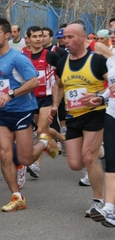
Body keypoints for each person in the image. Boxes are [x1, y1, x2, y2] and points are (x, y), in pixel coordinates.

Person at [0, 18, 57, 212]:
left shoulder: (18, 58)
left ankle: (45, 141)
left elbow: (34, 82)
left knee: (25, 158)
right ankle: (17, 196)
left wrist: (11, 94)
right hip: (3, 114)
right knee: (5, 154)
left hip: (22, 111)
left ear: (7, 35)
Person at [48, 23, 107, 217]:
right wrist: (55, 105)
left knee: (88, 159)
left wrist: (99, 95)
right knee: (75, 163)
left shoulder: (97, 60)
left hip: (95, 113)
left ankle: (98, 202)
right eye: (65, 37)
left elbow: (113, 83)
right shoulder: (62, 63)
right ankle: (100, 150)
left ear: (83, 38)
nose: (66, 41)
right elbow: (58, 85)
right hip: (73, 116)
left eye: (71, 37)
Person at [23, 26, 61, 178]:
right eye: (35, 36)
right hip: (31, 98)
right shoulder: (23, 55)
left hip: (47, 97)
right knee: (42, 131)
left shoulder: (50, 55)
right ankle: (62, 140)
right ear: (29, 39)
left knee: (40, 130)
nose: (38, 39)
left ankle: (36, 165)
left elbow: (61, 76)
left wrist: (57, 101)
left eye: (41, 36)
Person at [89, 55, 115, 227]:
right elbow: (111, 87)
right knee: (111, 162)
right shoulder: (111, 60)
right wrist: (101, 97)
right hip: (112, 113)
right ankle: (109, 208)